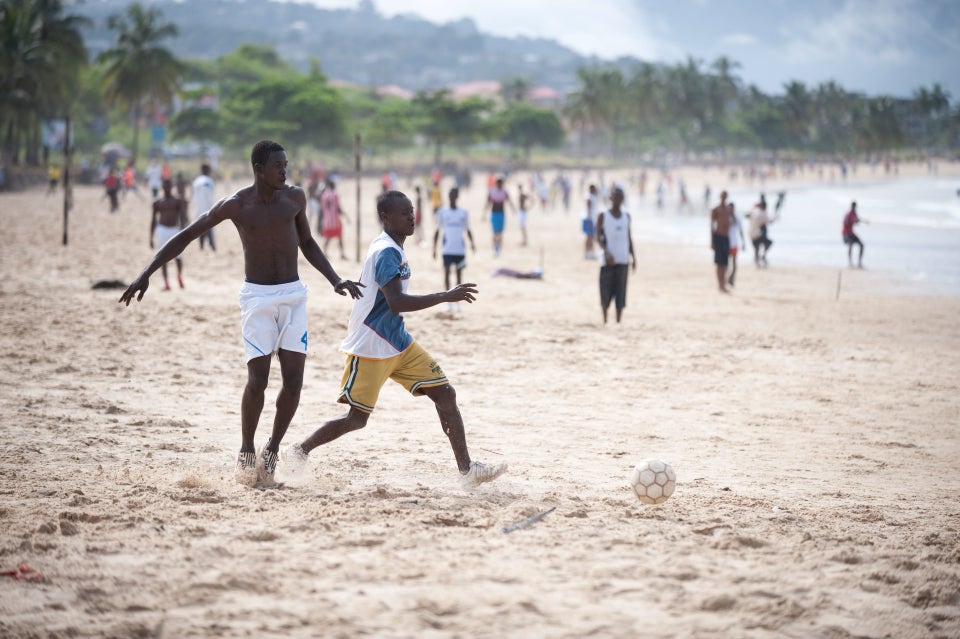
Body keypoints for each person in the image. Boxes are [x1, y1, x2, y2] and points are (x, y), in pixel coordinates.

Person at [118, 140, 364, 488]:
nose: (284, 171)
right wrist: (147, 272)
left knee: (294, 380)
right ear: (258, 169)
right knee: (258, 381)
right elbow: (187, 235)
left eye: (286, 164)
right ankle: (247, 447)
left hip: (294, 296)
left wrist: (335, 278)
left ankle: (273, 448)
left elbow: (307, 242)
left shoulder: (294, 198)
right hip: (257, 299)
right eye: (277, 165)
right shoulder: (237, 205)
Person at [282, 190, 506, 489]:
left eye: (412, 211)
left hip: (398, 340)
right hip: (372, 343)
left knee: (445, 394)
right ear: (385, 218)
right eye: (404, 213)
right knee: (357, 418)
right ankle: (298, 451)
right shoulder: (386, 251)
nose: (411, 217)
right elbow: (396, 302)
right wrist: (445, 296)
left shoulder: (394, 248)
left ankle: (467, 471)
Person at [596, 187, 636, 323]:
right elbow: (598, 238)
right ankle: (605, 320)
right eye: (615, 196)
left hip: (623, 259)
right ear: (611, 198)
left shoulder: (626, 217)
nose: (618, 199)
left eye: (620, 197)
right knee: (605, 291)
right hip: (607, 261)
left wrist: (634, 257)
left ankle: (618, 321)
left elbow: (629, 237)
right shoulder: (603, 216)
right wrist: (607, 253)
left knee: (621, 292)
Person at [433, 187, 476, 312]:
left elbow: (468, 229)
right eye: (450, 195)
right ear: (448, 196)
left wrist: (472, 243)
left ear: (457, 196)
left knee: (459, 275)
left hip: (460, 250)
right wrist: (434, 248)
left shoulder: (463, 213)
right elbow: (437, 230)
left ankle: (457, 301)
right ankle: (448, 301)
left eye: (454, 195)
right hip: (447, 249)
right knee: (446, 273)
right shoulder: (442, 212)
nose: (452, 197)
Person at [150, 178, 189, 290]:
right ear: (162, 187)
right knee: (162, 257)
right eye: (165, 186)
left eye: (169, 186)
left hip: (175, 230)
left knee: (179, 256)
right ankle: (166, 282)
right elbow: (153, 220)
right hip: (162, 230)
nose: (167, 188)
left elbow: (183, 216)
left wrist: (184, 231)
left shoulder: (177, 200)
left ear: (172, 187)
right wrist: (151, 237)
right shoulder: (157, 202)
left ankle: (179, 276)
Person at [710, 190, 733, 293]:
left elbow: (733, 222)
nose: (723, 198)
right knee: (719, 263)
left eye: (725, 196)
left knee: (725, 263)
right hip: (718, 237)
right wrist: (712, 240)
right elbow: (712, 225)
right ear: (720, 197)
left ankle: (723, 284)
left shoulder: (729, 210)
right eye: (722, 196)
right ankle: (720, 285)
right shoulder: (716, 209)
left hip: (726, 237)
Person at [320, 178, 349, 260]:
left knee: (327, 238)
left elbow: (322, 208)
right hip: (335, 221)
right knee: (339, 237)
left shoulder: (324, 195)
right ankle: (342, 254)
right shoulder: (335, 195)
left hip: (327, 221)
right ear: (334, 186)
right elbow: (338, 208)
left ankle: (324, 253)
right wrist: (346, 216)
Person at [191, 163, 217, 251]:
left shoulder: (196, 181)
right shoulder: (209, 181)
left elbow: (194, 195)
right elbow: (210, 197)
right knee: (209, 226)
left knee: (200, 227)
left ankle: (201, 246)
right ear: (207, 170)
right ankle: (212, 245)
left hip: (198, 208)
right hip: (208, 208)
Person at [485, 176, 513, 257]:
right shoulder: (492, 191)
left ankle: (499, 248)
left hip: (501, 213)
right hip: (494, 213)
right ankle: (495, 247)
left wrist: (513, 210)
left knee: (500, 232)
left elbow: (509, 201)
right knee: (494, 232)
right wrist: (484, 213)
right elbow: (488, 202)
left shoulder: (504, 192)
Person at [746, 195, 773, 267]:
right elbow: (769, 221)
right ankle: (762, 256)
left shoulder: (754, 210)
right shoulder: (763, 213)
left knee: (756, 248)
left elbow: (747, 215)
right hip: (757, 234)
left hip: (751, 233)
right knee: (768, 243)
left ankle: (757, 262)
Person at [727, 202, 746, 288]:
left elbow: (741, 231)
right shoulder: (726, 218)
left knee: (734, 264)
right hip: (726, 243)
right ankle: (726, 278)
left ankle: (731, 279)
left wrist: (743, 242)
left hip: (734, 244)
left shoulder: (737, 219)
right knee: (726, 263)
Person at [842, 200, 866, 268]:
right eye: (853, 206)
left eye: (855, 206)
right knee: (850, 244)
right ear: (851, 206)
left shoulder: (854, 214)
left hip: (851, 233)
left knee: (862, 245)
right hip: (846, 232)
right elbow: (845, 222)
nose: (854, 207)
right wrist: (853, 221)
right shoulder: (848, 214)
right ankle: (850, 262)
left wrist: (857, 221)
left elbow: (856, 222)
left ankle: (859, 262)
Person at [583, 184, 599, 259]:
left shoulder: (593, 197)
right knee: (590, 237)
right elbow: (588, 210)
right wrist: (589, 220)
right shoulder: (590, 197)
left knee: (591, 237)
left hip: (592, 219)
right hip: (590, 220)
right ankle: (588, 252)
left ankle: (589, 252)